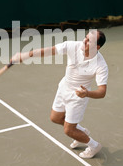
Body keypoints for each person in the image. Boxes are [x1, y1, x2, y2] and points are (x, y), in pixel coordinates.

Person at [11, 29, 108, 159]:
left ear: (96, 47)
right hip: (64, 88)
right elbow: (49, 50)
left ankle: (94, 145)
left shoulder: (101, 65)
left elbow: (102, 92)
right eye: (85, 37)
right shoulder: (72, 46)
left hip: (78, 96)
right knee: (55, 118)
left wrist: (87, 93)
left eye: (89, 40)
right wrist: (25, 55)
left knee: (69, 130)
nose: (84, 41)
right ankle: (81, 132)